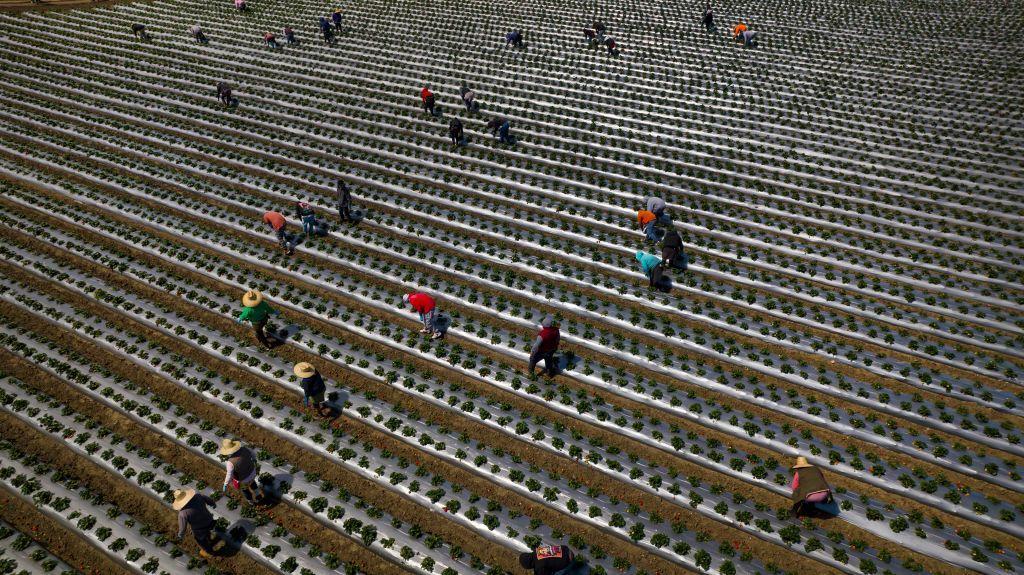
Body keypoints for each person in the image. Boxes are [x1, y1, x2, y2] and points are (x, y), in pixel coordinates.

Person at [173, 489, 219, 559]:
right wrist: (213, 504)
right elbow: (209, 500)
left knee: (201, 540)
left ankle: (209, 552)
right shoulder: (198, 496)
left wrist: (180, 536)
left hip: (199, 528)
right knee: (208, 531)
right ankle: (209, 539)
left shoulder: (183, 513)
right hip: (209, 520)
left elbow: (183, 528)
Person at [218, 439, 260, 503]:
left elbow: (229, 475)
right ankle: (258, 495)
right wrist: (254, 460)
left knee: (245, 490)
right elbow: (253, 454)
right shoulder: (245, 449)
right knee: (252, 483)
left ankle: (251, 501)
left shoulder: (230, 462)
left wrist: (225, 484)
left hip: (243, 479)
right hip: (252, 472)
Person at [519, 544, 588, 575]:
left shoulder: (539, 566)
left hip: (567, 560)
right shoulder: (536, 552)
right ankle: (576, 563)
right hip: (567, 550)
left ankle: (573, 567)